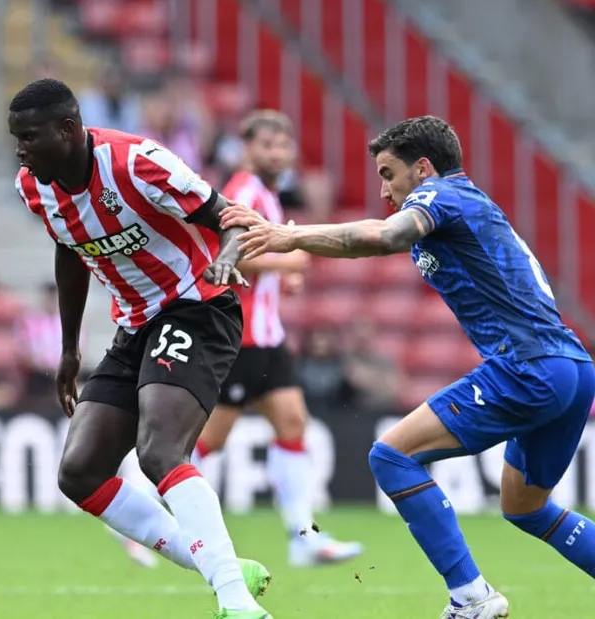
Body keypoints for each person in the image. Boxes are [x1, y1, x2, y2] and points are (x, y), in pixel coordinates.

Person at [222, 115, 595, 619]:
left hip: (526, 367)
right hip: (571, 367)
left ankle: (471, 598)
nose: (383, 190)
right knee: (524, 506)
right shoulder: (469, 203)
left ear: (423, 168)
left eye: (388, 174)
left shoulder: (440, 196)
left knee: (391, 457)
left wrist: (292, 237)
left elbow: (381, 236)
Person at [10, 77, 273, 619]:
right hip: (136, 324)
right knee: (79, 472)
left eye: (30, 136)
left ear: (68, 129)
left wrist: (226, 257)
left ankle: (236, 601)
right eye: (17, 138)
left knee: (159, 452)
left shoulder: (138, 163)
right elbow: (70, 251)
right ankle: (220, 567)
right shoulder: (34, 185)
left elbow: (231, 218)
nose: (21, 149)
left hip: (196, 305)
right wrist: (69, 348)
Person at [191, 110, 363, 567]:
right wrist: (289, 263)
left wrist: (281, 277)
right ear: (248, 149)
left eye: (283, 147)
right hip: (240, 335)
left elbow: (258, 259)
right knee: (208, 440)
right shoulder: (243, 191)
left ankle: (302, 537)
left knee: (292, 424)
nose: (278, 154)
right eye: (268, 146)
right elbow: (226, 256)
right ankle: (150, 504)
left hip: (266, 336)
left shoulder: (265, 194)